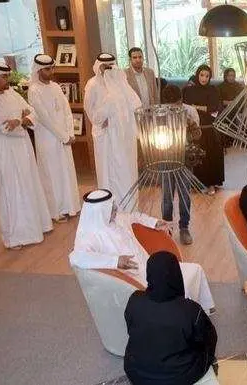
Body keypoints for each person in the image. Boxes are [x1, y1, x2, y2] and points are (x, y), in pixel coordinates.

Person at [69, 189, 215, 312]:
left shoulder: (117, 219)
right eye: (111, 207)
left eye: (113, 205)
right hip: (131, 280)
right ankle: (182, 316)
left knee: (195, 269)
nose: (115, 209)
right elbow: (76, 257)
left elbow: (135, 216)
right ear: (100, 211)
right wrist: (115, 261)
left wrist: (155, 222)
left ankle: (201, 309)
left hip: (147, 267)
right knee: (176, 284)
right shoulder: (88, 235)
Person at [0, 59, 53, 249]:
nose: (8, 81)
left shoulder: (12, 93)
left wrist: (20, 120)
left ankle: (35, 227)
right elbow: (3, 126)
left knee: (29, 186)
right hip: (3, 154)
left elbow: (32, 113)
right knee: (11, 192)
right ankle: (15, 237)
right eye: (4, 77)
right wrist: (22, 121)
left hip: (23, 149)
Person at [124, 251, 218, 385]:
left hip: (137, 373)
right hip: (180, 377)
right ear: (176, 274)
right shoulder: (190, 310)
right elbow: (209, 338)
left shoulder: (134, 300)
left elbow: (130, 330)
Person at [28, 54, 80, 223]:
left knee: (66, 170)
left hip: (64, 137)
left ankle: (71, 206)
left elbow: (66, 110)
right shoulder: (34, 90)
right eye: (47, 69)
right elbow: (44, 118)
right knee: (53, 174)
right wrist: (63, 136)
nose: (50, 72)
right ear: (38, 70)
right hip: (48, 138)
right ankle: (56, 211)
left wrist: (70, 132)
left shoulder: (56, 87)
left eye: (52, 68)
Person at [84, 53, 142, 203]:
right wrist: (100, 120)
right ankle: (109, 205)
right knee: (107, 171)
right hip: (104, 134)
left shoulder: (121, 82)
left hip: (122, 135)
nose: (108, 69)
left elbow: (134, 104)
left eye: (110, 66)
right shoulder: (92, 84)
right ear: (98, 66)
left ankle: (127, 205)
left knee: (125, 169)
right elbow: (89, 109)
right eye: (104, 66)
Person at [159, 84, 202, 245]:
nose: (172, 109)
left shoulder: (189, 112)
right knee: (166, 196)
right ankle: (167, 227)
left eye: (175, 106)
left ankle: (184, 227)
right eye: (168, 106)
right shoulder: (160, 113)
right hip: (165, 158)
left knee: (184, 195)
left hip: (185, 159)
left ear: (181, 101)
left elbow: (198, 134)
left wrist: (187, 130)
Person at [183, 65, 224, 195]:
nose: (204, 78)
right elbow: (185, 107)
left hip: (209, 129)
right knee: (195, 157)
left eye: (207, 76)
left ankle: (211, 185)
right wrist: (201, 108)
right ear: (197, 75)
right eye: (201, 75)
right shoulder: (188, 90)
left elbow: (214, 109)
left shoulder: (213, 90)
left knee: (210, 157)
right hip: (194, 129)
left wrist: (196, 107)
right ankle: (196, 185)